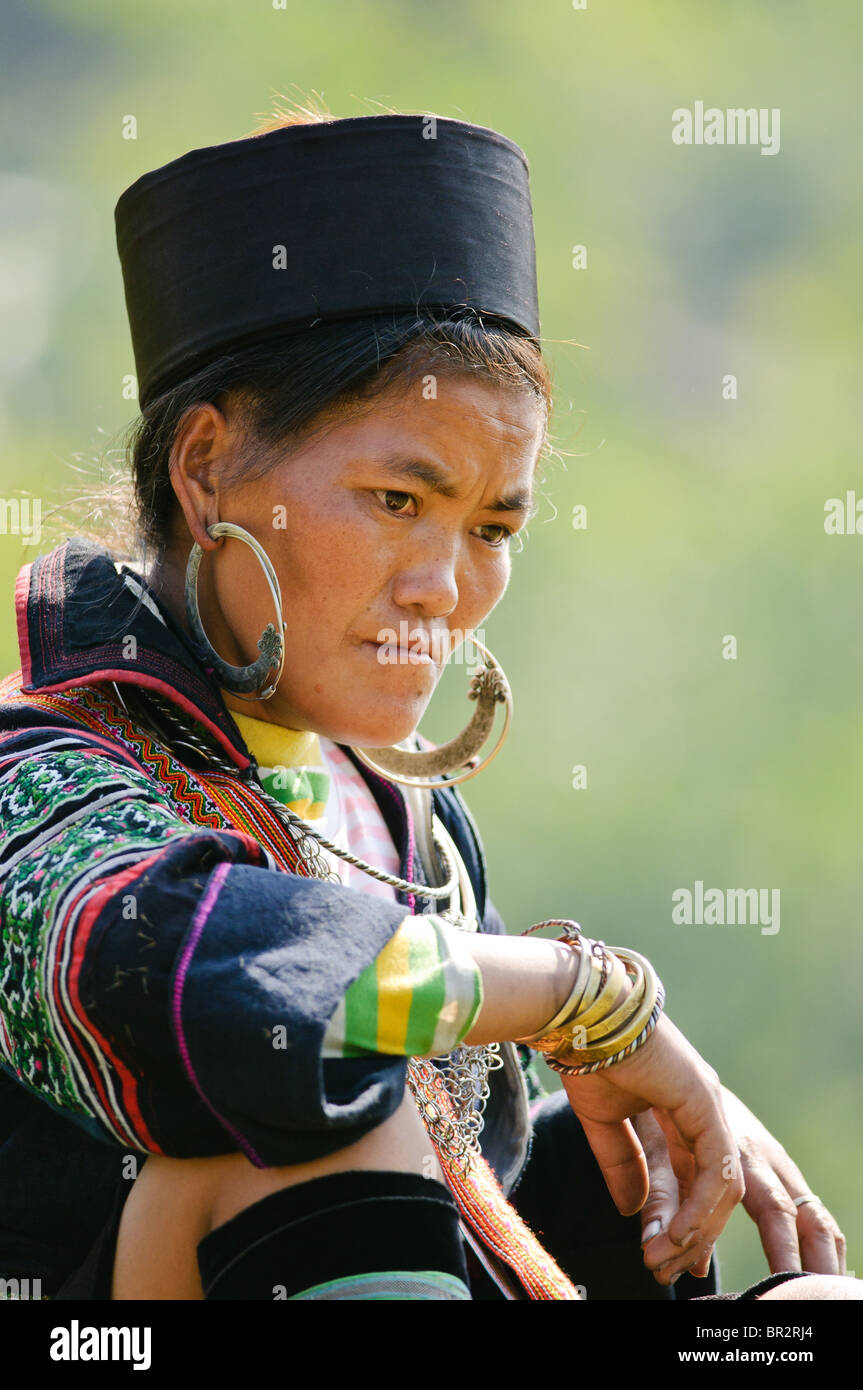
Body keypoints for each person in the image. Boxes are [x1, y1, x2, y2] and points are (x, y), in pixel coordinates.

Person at [0, 100, 857, 1303]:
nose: (445, 589)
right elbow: (215, 990)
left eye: (494, 524)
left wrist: (647, 1163)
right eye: (399, 500)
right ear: (205, 469)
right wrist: (583, 999)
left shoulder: (405, 827)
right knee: (316, 1120)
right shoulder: (37, 777)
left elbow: (467, 1193)